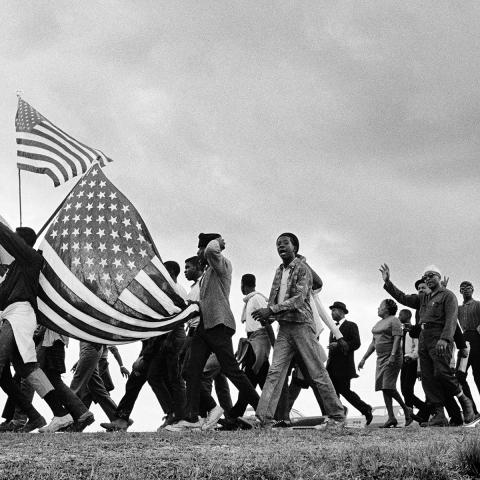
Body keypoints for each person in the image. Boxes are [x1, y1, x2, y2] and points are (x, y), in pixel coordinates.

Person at [253, 233, 345, 429]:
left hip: (302, 326)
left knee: (316, 371)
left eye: (285, 243)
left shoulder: (303, 269)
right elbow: (274, 298)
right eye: (278, 244)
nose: (280, 246)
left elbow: (299, 299)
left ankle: (337, 416)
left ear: (295, 246)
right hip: (284, 328)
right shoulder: (279, 271)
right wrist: (268, 315)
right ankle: (264, 419)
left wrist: (271, 310)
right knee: (275, 373)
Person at [174, 233, 260, 431]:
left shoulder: (222, 265)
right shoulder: (207, 274)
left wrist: (218, 241)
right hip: (205, 326)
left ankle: (262, 412)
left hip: (219, 325)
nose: (197, 253)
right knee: (190, 370)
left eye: (200, 248)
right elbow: (207, 300)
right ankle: (193, 417)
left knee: (232, 370)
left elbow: (213, 249)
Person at [380, 264, 475, 426]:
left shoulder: (448, 296)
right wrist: (388, 282)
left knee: (442, 373)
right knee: (428, 379)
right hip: (424, 339)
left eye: (431, 275)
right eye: (425, 276)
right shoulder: (423, 298)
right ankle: (439, 415)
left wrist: (445, 339)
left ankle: (464, 400)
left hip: (439, 339)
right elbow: (403, 297)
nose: (428, 279)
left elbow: (452, 319)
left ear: (439, 276)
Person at [0, 223, 74, 432]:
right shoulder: (15, 267)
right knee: (25, 369)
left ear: (21, 243)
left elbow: (9, 240)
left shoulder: (31, 258)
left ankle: (55, 415)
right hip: (10, 315)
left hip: (20, 314)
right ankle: (58, 415)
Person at [358, 299, 413, 428]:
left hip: (392, 356)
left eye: (380, 306)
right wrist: (364, 358)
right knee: (384, 387)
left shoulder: (394, 320)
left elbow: (397, 338)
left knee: (388, 385)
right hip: (380, 358)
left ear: (387, 309)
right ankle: (391, 417)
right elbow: (373, 343)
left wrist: (393, 355)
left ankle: (406, 409)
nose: (378, 308)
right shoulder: (378, 323)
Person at [326, 301, 372, 425]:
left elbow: (356, 343)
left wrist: (339, 345)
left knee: (345, 391)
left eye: (334, 310)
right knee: (333, 393)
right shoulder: (333, 328)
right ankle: (338, 414)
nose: (332, 312)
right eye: (332, 310)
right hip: (332, 366)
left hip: (344, 366)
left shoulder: (351, 325)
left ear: (341, 312)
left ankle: (365, 408)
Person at [398, 309, 429, 422]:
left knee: (407, 389)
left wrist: (413, 359)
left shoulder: (414, 330)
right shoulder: (402, 331)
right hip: (404, 363)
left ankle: (409, 414)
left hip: (412, 361)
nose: (398, 316)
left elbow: (418, 347)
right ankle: (425, 408)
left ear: (407, 316)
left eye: (400, 314)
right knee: (403, 389)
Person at [458, 281, 480, 397]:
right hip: (464, 339)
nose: (466, 289)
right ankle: (472, 411)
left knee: (478, 375)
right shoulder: (458, 308)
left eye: (468, 287)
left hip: (477, 339)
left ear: (473, 289)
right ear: (460, 291)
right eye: (463, 288)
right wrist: (442, 289)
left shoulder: (478, 304)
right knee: (460, 374)